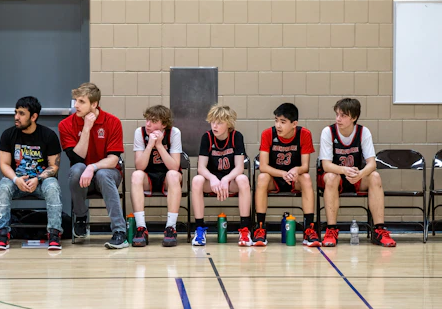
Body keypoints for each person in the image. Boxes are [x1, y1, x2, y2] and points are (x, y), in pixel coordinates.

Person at [318, 98, 396, 247]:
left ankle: (379, 230)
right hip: (336, 177)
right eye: (337, 114)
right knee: (331, 177)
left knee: (375, 176)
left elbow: (372, 164)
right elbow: (326, 165)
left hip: (356, 177)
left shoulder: (363, 132)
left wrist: (360, 174)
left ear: (354, 117)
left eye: (343, 115)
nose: (338, 119)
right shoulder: (328, 132)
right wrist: (343, 170)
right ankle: (331, 230)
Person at [58, 82, 128, 249]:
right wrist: (87, 128)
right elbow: (77, 158)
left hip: (107, 174)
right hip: (81, 177)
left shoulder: (113, 122)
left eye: (81, 101)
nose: (76, 105)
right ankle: (81, 217)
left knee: (103, 174)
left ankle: (120, 232)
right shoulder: (65, 125)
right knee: (77, 169)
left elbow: (113, 160)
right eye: (76, 100)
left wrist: (93, 167)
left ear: (94, 104)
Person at [0, 96, 63, 251]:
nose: (16, 117)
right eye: (16, 112)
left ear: (34, 116)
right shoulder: (8, 135)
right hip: (16, 181)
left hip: (41, 181)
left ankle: (54, 234)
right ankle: (3, 235)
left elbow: (54, 167)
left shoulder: (49, 135)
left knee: (53, 187)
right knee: (3, 187)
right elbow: (4, 164)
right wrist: (16, 179)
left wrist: (38, 179)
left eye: (21, 113)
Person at [254, 103, 319, 247]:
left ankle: (309, 229)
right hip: (274, 177)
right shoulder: (267, 134)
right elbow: (263, 166)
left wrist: (296, 170)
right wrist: (282, 173)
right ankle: (259, 228)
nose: (278, 125)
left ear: (294, 123)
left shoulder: (304, 134)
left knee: (306, 178)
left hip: (294, 178)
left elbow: (305, 166)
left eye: (283, 122)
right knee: (262, 177)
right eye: (276, 120)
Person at [191, 104, 251, 246]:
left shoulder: (237, 137)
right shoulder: (207, 137)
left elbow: (240, 167)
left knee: (243, 179)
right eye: (213, 122)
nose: (214, 126)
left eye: (219, 123)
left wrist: (226, 179)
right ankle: (199, 229)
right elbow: (201, 167)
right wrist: (212, 178)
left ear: (228, 124)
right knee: (197, 180)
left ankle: (245, 230)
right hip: (212, 183)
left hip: (230, 181)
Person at [130, 105, 183, 247]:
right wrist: (149, 145)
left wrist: (159, 145)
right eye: (147, 119)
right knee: (136, 175)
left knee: (172, 174)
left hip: (168, 178)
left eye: (153, 121)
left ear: (163, 124)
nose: (148, 124)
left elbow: (174, 166)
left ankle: (170, 227)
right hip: (148, 176)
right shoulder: (140, 133)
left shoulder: (174, 133)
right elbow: (139, 166)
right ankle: (141, 228)